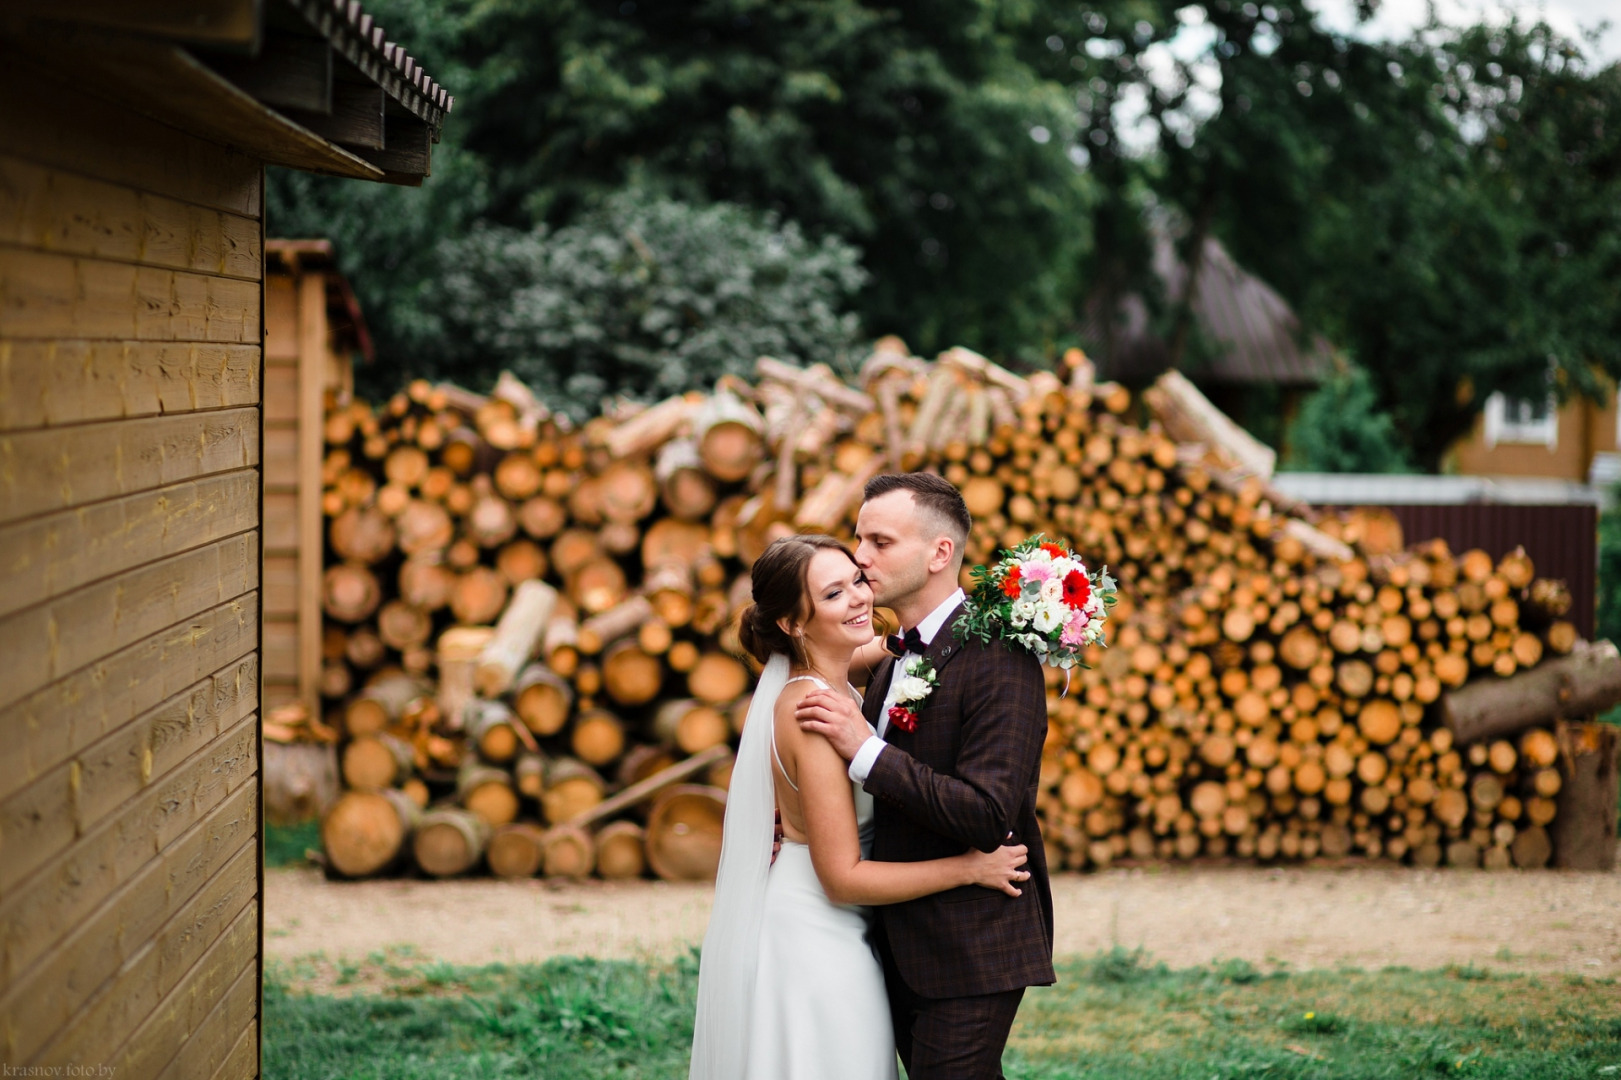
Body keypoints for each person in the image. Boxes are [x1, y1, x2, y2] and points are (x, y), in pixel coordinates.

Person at [689, 534, 1031, 1080]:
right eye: (832, 594)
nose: (858, 598)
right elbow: (843, 879)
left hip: (841, 928)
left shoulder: (836, 682)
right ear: (793, 624)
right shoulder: (814, 711)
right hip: (817, 936)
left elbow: (896, 646)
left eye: (855, 579)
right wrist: (969, 868)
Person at [797, 472, 1056, 1080]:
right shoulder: (893, 658)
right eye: (859, 539)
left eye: (880, 542)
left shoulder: (1001, 657)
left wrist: (868, 752)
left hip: (972, 943)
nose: (859, 559)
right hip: (894, 941)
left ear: (941, 553)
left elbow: (989, 814)